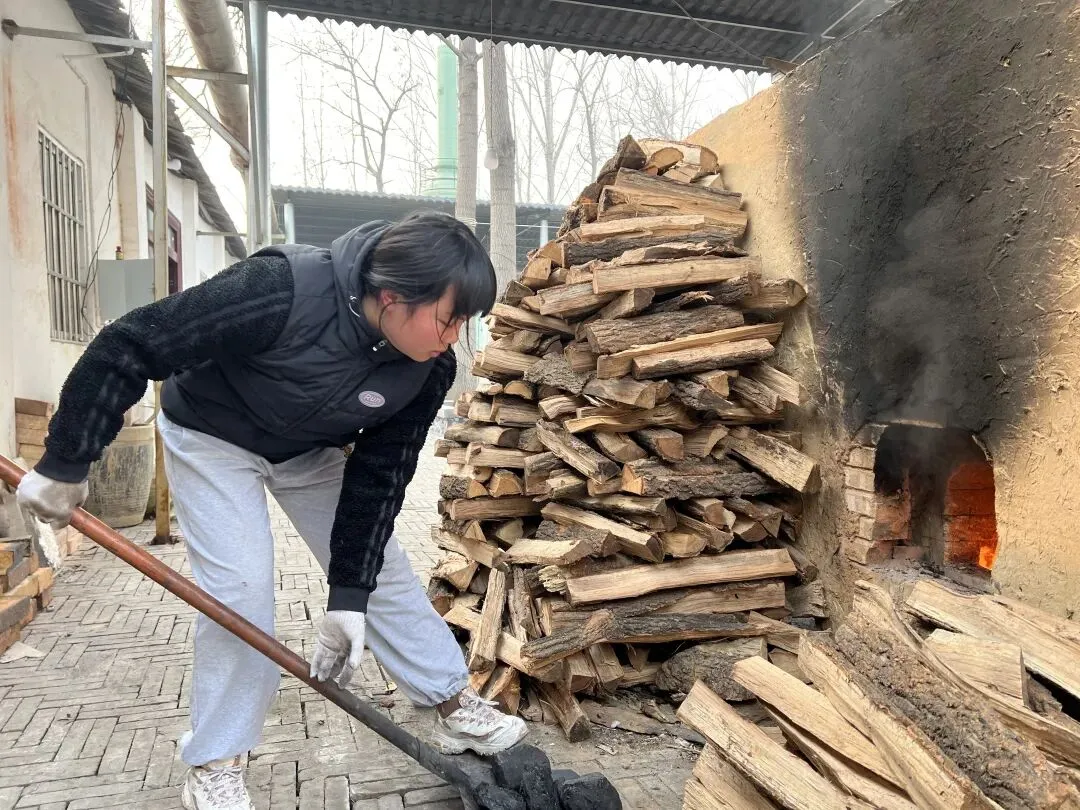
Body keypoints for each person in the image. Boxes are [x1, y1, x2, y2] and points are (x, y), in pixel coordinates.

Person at [15, 212, 528, 810]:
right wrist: (66, 461)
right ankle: (217, 759)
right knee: (239, 592)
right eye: (449, 317)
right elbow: (129, 343)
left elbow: (380, 479)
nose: (455, 336)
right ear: (393, 298)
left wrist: (348, 596)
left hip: (307, 450)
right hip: (211, 436)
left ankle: (450, 699)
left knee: (385, 571)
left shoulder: (428, 369)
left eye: (466, 320)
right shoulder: (281, 290)